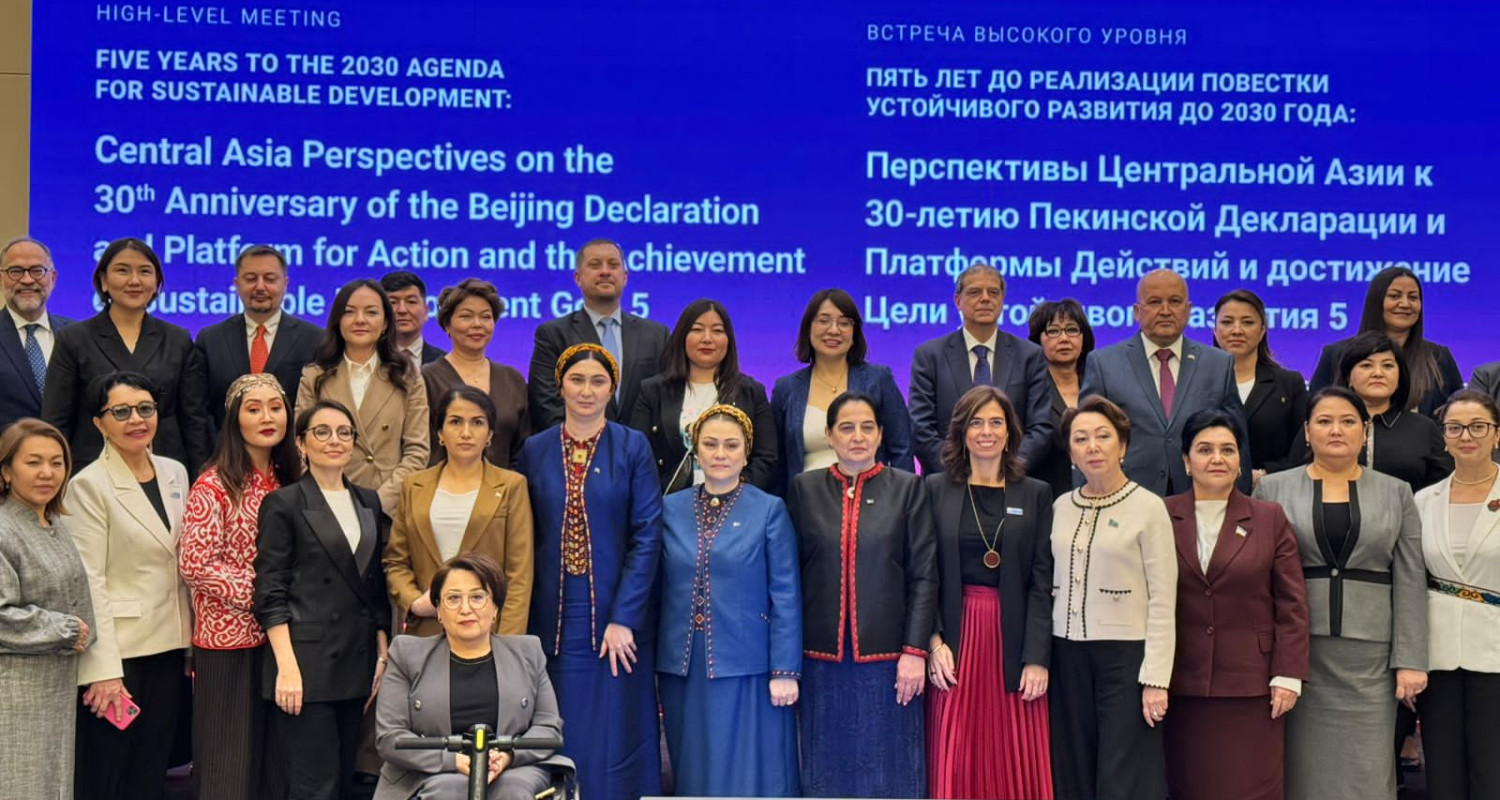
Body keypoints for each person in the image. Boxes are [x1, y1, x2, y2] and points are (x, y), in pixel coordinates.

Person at [1252, 386, 1428, 800]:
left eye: (1348, 421)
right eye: (1324, 421)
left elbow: (1409, 576)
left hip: (1371, 657)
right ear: (1307, 432)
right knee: (1300, 770)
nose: (1336, 430)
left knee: (1366, 770)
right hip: (1297, 653)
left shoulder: (1396, 491)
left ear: (1365, 432)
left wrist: (1412, 658)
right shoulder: (1271, 490)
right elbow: (1259, 578)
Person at [516, 343, 663, 800]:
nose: (586, 390)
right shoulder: (534, 450)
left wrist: (625, 618)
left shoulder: (632, 445)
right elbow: (522, 537)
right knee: (560, 726)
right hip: (551, 620)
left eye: (598, 381)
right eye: (577, 380)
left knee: (615, 730)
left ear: (612, 389)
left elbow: (647, 534)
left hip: (616, 620)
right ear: (559, 385)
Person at [787, 391, 937, 798]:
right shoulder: (804, 489)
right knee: (826, 769)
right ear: (829, 436)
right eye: (846, 428)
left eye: (867, 427)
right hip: (821, 662)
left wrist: (914, 651)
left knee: (892, 770)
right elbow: (789, 578)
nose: (858, 436)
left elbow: (924, 576)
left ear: (881, 434)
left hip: (890, 662)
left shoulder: (908, 488)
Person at [1163, 410, 1310, 800]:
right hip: (1182, 683)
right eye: (1205, 449)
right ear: (1185, 461)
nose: (1217, 458)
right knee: (1189, 785)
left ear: (1240, 460)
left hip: (1254, 686)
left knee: (1252, 787)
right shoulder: (1161, 514)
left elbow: (1292, 602)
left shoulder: (1268, 517)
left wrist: (1288, 673)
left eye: (1228, 449)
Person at [657, 404, 801, 796]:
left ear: (746, 453)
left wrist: (785, 669)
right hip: (683, 667)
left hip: (748, 664)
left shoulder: (769, 509)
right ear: (696, 450)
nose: (720, 454)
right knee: (694, 768)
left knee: (749, 771)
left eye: (731, 445)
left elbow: (785, 593)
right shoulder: (669, 509)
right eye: (711, 444)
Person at [254, 400, 392, 800]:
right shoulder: (284, 502)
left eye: (344, 432)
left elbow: (374, 584)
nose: (335, 441)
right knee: (314, 787)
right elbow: (270, 589)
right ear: (301, 443)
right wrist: (286, 667)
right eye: (322, 432)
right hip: (304, 665)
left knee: (344, 781)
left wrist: (381, 650)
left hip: (358, 659)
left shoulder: (368, 500)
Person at [66, 371, 193, 800]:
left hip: (172, 648)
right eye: (120, 411)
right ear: (99, 423)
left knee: (151, 770)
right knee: (108, 774)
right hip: (122, 655)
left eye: (145, 408)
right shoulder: (88, 486)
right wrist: (103, 672)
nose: (136, 419)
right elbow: (89, 583)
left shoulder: (175, 472)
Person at [925, 386, 1055, 800]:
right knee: (957, 748)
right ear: (961, 432)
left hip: (1013, 639)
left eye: (996, 422)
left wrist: (1037, 657)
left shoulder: (1035, 493)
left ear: (1010, 431)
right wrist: (933, 641)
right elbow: (924, 574)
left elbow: (1040, 581)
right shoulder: (933, 488)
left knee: (1012, 755)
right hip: (956, 640)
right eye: (976, 422)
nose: (986, 431)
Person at [177, 374, 300, 800]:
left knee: (274, 767)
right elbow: (196, 564)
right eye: (254, 408)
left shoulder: (290, 480)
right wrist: (269, 595)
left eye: (276, 406)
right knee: (228, 765)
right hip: (228, 643)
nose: (267, 417)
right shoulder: (214, 484)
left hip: (283, 640)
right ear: (234, 420)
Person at [1049, 396, 1177, 800]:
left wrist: (1156, 678)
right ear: (1070, 451)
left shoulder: (1149, 507)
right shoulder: (1059, 506)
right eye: (1081, 438)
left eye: (1103, 436)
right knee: (1073, 766)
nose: (1092, 446)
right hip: (1065, 655)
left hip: (1125, 660)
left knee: (1123, 774)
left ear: (1123, 445)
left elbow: (1163, 598)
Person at [374, 552, 563, 800]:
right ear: (439, 610)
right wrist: (454, 761)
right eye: (453, 598)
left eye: (477, 597)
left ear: (495, 607)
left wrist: (506, 757)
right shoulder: (407, 655)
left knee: (512, 789)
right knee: (448, 790)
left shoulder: (528, 653)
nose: (466, 609)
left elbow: (549, 729)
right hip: (429, 771)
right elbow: (390, 737)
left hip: (513, 768)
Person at [43, 238, 211, 473]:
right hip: (93, 471)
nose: (134, 281)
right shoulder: (73, 339)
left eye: (144, 271)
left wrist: (200, 481)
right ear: (103, 281)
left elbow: (194, 421)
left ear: (157, 282)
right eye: (122, 270)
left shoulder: (178, 339)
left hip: (164, 469)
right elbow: (56, 419)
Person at [1081, 269, 1248, 496]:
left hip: (1200, 496)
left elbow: (1238, 439)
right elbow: (1084, 438)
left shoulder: (1218, 364)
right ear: (1137, 312)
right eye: (1155, 302)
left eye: (1175, 302)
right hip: (1126, 496)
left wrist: (1241, 499)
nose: (1166, 311)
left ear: (1188, 310)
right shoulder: (1104, 363)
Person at [384, 385, 534, 637]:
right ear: (440, 432)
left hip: (489, 635)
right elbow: (396, 561)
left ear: (490, 434)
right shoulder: (414, 485)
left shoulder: (511, 486)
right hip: (427, 632)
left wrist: (508, 643)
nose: (466, 432)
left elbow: (519, 575)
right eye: (455, 421)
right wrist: (415, 601)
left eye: (477, 422)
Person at [1413, 389, 1500, 800]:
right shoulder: (1421, 501)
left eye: (1478, 426)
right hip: (1438, 653)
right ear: (1444, 437)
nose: (1467, 435)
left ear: (1496, 434)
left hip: (1496, 653)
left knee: (1493, 771)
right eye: (1455, 427)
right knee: (1443, 774)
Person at [0, 418, 92, 800]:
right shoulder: (4, 527)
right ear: (5, 470)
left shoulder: (53, 520)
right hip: (15, 688)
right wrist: (66, 630)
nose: (47, 473)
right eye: (33, 462)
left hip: (55, 685)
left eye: (57, 463)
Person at [296, 279, 429, 515]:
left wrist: (377, 503)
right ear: (338, 321)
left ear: (386, 323)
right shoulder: (315, 374)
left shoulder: (407, 375)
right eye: (349, 312)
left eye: (371, 312)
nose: (360, 320)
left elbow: (417, 452)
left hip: (387, 509)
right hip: (325, 507)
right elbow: (300, 445)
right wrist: (327, 498)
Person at [910, 264, 1053, 474]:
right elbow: (920, 428)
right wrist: (960, 471)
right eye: (975, 292)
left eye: (993, 292)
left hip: (1011, 481)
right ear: (957, 301)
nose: (985, 298)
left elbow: (1040, 427)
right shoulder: (930, 355)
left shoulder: (1029, 356)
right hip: (946, 483)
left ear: (1002, 300)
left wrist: (1006, 469)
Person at [770, 288, 914, 494]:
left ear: (854, 332)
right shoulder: (787, 388)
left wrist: (903, 502)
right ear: (808, 328)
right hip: (804, 506)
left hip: (872, 505)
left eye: (844, 323)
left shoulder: (878, 379)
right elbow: (778, 464)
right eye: (824, 320)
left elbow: (902, 449)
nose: (834, 330)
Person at [628, 299, 777, 493]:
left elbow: (767, 459)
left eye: (717, 331)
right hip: (667, 505)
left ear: (728, 340)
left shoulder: (750, 391)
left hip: (736, 506)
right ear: (682, 336)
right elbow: (637, 457)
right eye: (697, 329)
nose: (707, 338)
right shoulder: (653, 391)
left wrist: (733, 493)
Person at [527, 239, 669, 429]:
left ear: (625, 277)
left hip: (641, 451)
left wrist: (636, 446)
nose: (605, 271)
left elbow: (665, 398)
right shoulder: (553, 334)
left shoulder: (657, 335)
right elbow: (545, 403)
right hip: (576, 451)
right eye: (595, 265)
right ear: (578, 278)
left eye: (613, 265)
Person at [1284, 332, 1452, 492]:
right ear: (1349, 377)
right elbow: (1292, 483)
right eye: (1366, 365)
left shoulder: (1423, 429)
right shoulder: (1321, 424)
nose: (1378, 373)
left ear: (1400, 377)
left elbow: (1443, 489)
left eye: (1387, 366)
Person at [194, 245, 323, 437]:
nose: (260, 287)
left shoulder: (314, 339)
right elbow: (199, 412)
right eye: (251, 279)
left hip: (290, 458)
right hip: (225, 457)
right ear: (237, 285)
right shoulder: (210, 339)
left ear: (285, 284)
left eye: (270, 279)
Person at [1310, 265, 1463, 417]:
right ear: (1376, 301)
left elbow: (1458, 414)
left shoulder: (1439, 357)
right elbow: (1314, 415)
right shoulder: (1336, 354)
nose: (1405, 304)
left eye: (1413, 297)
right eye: (1395, 296)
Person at [422, 278, 529, 468]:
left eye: (486, 317)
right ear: (447, 324)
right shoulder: (425, 378)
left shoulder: (513, 379)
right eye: (466, 316)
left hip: (505, 491)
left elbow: (523, 448)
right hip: (442, 491)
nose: (477, 324)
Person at [1212, 289, 1310, 478]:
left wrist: (1267, 474)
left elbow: (1304, 447)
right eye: (1227, 322)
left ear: (1262, 331)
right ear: (1215, 330)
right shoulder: (1196, 381)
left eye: (1247, 322)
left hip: (1272, 492)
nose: (1237, 330)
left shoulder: (1289, 383)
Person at [0, 237, 74, 430]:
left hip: (68, 457)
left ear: (53, 278)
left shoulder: (78, 335)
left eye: (37, 270)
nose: (27, 280)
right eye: (15, 271)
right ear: (1, 279)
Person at [1025, 299, 1094, 500]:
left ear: (1084, 338)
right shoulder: (1029, 388)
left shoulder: (1100, 382)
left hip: (1096, 496)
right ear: (1038, 341)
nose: (1064, 338)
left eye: (1072, 330)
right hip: (1045, 498)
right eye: (1053, 331)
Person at [382, 271, 447, 364]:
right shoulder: (365, 359)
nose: (402, 310)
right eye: (392, 302)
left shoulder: (445, 364)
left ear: (426, 311)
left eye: (411, 302)